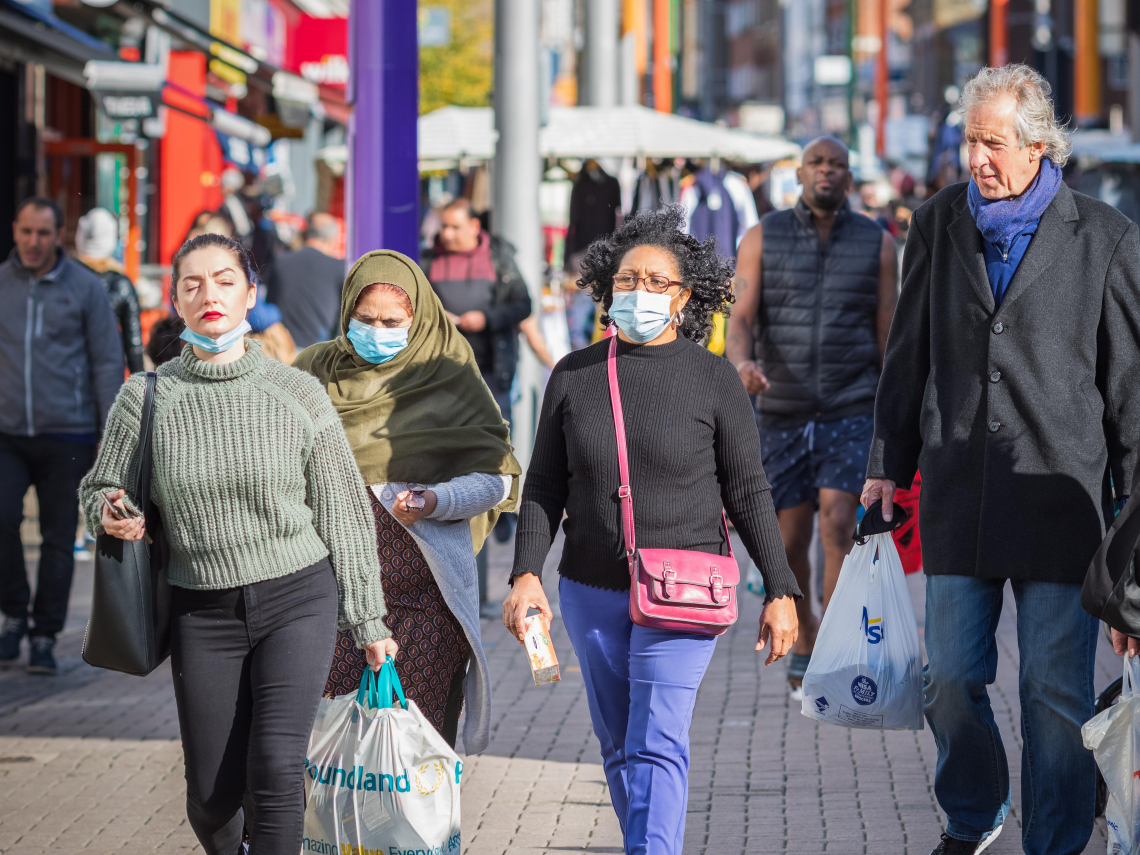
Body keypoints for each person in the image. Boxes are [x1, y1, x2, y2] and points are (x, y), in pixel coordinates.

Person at [864, 64, 1140, 855]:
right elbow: (908, 350)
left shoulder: (1105, 238)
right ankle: (975, 809)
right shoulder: (937, 222)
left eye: (993, 143)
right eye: (970, 141)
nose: (976, 158)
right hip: (960, 491)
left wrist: (1134, 524)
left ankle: (1055, 838)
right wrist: (888, 456)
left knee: (1052, 690)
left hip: (1061, 500)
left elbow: (1131, 390)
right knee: (948, 678)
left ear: (1037, 146)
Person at [78, 232, 398, 854]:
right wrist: (111, 511)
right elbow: (99, 488)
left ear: (251, 293)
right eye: (193, 284)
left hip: (297, 599)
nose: (210, 295)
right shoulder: (146, 397)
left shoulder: (297, 394)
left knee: (276, 768)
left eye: (225, 281)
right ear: (176, 300)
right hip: (202, 610)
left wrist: (369, 620)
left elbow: (344, 513)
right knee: (211, 796)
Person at [503, 206, 800, 855]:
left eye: (656, 281)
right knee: (619, 743)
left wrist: (780, 587)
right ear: (607, 289)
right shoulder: (574, 374)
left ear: (685, 296)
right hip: (591, 588)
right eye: (627, 280)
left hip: (685, 588)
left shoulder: (713, 377)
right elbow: (545, 485)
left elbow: (748, 489)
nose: (639, 291)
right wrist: (526, 573)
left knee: (656, 742)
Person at [295, 249, 521, 752]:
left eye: (392, 322)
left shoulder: (449, 372)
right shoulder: (313, 369)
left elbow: (498, 480)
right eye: (365, 319)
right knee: (332, 750)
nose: (376, 331)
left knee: (418, 752)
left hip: (427, 603)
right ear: (346, 311)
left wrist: (436, 499)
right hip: (332, 599)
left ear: (418, 321)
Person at [727, 136, 898, 695]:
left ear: (849, 177)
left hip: (851, 405)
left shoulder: (877, 243)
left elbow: (888, 335)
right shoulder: (762, 236)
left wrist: (896, 411)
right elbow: (740, 318)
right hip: (781, 407)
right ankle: (803, 635)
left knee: (839, 522)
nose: (826, 171)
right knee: (788, 537)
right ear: (799, 174)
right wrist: (743, 364)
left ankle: (837, 642)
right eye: (816, 163)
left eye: (836, 164)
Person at [0, 197, 124, 675]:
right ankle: (14, 614)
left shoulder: (85, 287)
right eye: (26, 231)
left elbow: (107, 361)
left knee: (57, 537)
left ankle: (44, 634)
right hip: (8, 432)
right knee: (3, 519)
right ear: (15, 230)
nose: (34, 242)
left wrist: (110, 433)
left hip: (68, 433)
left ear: (59, 235)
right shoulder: (3, 284)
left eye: (43, 233)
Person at [75, 207, 144, 375]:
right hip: (109, 370)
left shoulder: (66, 278)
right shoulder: (121, 283)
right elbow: (134, 344)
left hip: (69, 370)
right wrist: (142, 382)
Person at [263, 212, 345, 350]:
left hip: (280, 348)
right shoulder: (340, 268)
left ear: (307, 234)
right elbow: (343, 318)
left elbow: (269, 305)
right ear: (332, 240)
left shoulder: (280, 261)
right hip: (316, 352)